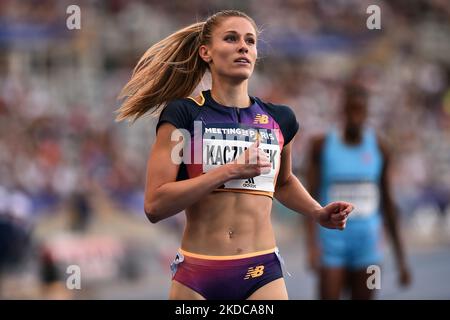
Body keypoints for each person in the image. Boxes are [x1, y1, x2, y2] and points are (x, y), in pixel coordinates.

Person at [116, 10, 353, 300]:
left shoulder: (280, 119)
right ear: (206, 52)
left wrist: (317, 211)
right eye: (231, 38)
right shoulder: (184, 115)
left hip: (261, 271)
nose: (243, 46)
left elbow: (284, 182)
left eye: (250, 41)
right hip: (198, 275)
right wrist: (229, 170)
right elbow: (155, 205)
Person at [305, 84, 412, 300]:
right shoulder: (321, 145)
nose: (355, 116)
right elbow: (309, 199)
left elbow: (388, 204)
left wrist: (401, 259)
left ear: (367, 112)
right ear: (343, 111)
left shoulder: (380, 147)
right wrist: (311, 246)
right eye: (351, 110)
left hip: (370, 247)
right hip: (331, 245)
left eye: (360, 110)